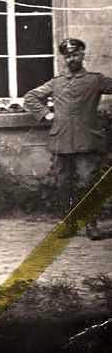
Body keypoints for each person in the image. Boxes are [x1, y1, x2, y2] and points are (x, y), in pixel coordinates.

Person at [24, 38, 112, 240]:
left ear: (83, 54)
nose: (72, 59)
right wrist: (46, 114)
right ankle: (68, 224)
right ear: (64, 58)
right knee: (63, 185)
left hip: (86, 142)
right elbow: (30, 97)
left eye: (75, 54)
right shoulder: (56, 83)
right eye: (68, 56)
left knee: (87, 183)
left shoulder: (95, 80)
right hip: (61, 141)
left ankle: (91, 225)